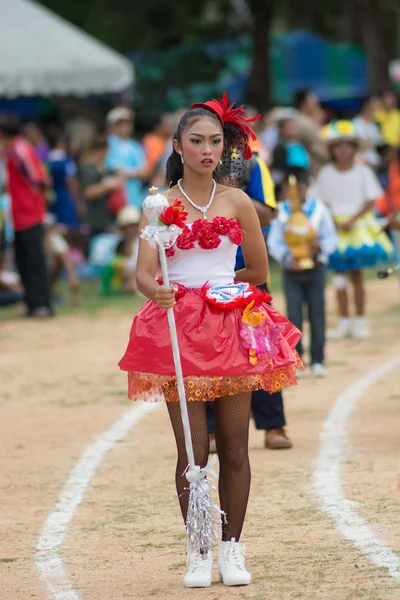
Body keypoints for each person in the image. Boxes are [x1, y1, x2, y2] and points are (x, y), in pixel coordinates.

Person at [118, 95, 302, 589]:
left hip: (230, 327)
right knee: (192, 450)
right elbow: (142, 272)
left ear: (225, 147)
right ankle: (198, 548)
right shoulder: (159, 204)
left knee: (236, 447)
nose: (206, 149)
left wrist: (219, 287)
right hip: (177, 330)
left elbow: (260, 271)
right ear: (178, 145)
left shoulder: (239, 201)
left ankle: (231, 548)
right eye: (196, 141)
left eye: (215, 141)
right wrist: (158, 289)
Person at [207, 154, 294, 451]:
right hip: (204, 276)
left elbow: (269, 214)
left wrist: (229, 192)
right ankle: (210, 429)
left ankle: (273, 424)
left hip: (248, 272)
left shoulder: (253, 164)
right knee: (208, 351)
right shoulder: (187, 165)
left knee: (261, 349)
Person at [315, 121, 394, 339]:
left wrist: (353, 219)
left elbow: (371, 199)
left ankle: (359, 320)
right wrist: (332, 220)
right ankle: (343, 321)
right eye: (338, 146)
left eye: (348, 145)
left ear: (354, 147)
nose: (343, 150)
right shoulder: (327, 172)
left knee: (357, 274)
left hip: (358, 226)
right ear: (332, 149)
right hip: (335, 227)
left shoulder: (362, 170)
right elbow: (321, 201)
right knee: (338, 276)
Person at [268, 168, 338, 376]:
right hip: (293, 271)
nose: (296, 193)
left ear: (307, 187)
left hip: (316, 267)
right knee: (294, 315)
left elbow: (331, 238)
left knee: (317, 314)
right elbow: (274, 242)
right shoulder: (281, 212)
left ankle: (318, 359)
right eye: (291, 189)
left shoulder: (319, 210)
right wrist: (288, 259)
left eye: (300, 188)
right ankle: (296, 359)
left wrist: (321, 248)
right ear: (284, 190)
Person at [0, 114, 52, 317]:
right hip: (19, 215)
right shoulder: (11, 150)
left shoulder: (20, 149)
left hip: (30, 214)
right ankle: (32, 303)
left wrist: (37, 202)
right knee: (23, 260)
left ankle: (42, 304)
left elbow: (41, 178)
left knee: (34, 261)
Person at [79, 134, 124, 241]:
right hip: (95, 219)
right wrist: (108, 186)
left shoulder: (104, 167)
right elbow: (89, 192)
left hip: (108, 216)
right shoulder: (88, 168)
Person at [105, 106, 148, 210]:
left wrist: (126, 173)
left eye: (127, 124)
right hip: (111, 199)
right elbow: (108, 167)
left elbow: (144, 171)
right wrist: (133, 173)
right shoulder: (106, 144)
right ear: (111, 126)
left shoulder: (135, 146)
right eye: (120, 124)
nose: (124, 127)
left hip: (133, 198)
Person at [101, 206, 141, 296]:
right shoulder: (117, 243)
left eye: (134, 226)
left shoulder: (143, 242)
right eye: (128, 226)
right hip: (121, 279)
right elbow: (113, 264)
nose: (131, 229)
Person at [48, 135, 84, 230]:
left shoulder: (47, 161)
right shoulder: (66, 162)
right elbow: (71, 183)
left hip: (53, 198)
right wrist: (78, 202)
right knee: (68, 229)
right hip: (66, 199)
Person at [294, 88, 329, 177]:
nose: (316, 102)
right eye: (312, 99)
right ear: (303, 103)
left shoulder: (309, 121)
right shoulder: (303, 122)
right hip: (313, 170)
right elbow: (315, 147)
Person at [271, 117, 310, 187]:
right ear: (282, 130)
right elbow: (277, 171)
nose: (292, 130)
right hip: (286, 184)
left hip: (302, 182)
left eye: (294, 127)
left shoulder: (302, 145)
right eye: (288, 128)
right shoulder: (280, 147)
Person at [353, 96, 383, 169]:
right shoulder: (355, 124)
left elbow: (378, 144)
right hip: (361, 164)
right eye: (375, 102)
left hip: (376, 165)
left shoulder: (374, 125)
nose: (378, 105)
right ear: (367, 105)